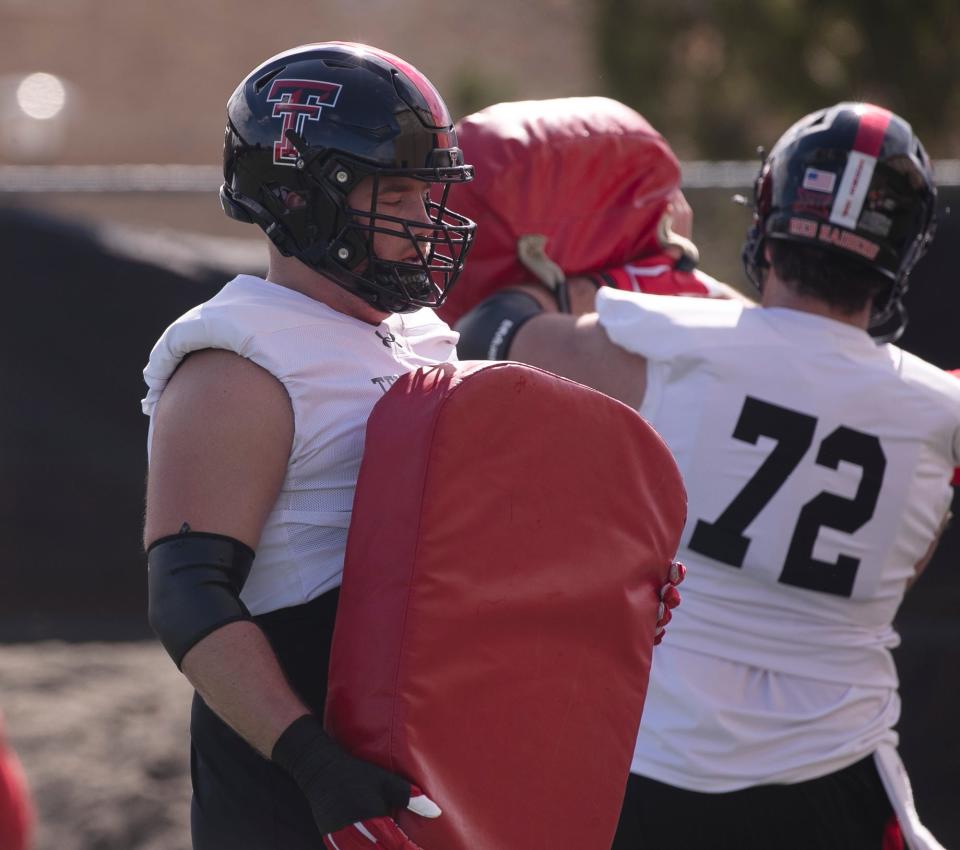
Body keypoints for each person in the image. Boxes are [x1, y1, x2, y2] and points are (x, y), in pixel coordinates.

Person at [455, 102, 958, 850]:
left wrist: (584, 277)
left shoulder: (667, 341)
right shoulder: (940, 413)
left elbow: (489, 336)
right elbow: (900, 572)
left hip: (653, 759)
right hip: (834, 774)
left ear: (770, 209)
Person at [140, 42, 477, 850]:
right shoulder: (240, 356)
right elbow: (190, 597)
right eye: (395, 191)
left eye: (426, 193)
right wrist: (313, 762)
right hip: (295, 794)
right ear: (302, 196)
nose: (423, 217)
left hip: (431, 757)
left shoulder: (419, 338)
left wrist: (597, 587)